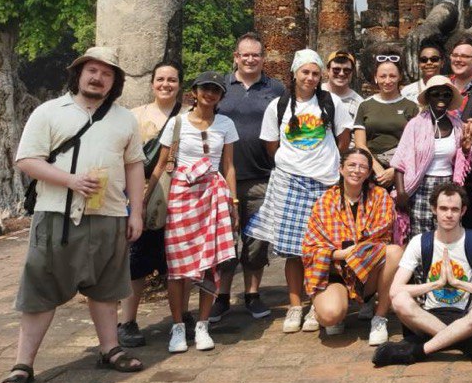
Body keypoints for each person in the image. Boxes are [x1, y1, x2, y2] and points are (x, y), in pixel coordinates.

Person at [2, 47, 146, 383]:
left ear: (115, 81)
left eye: (106, 73)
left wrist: (136, 212)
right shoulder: (50, 112)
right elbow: (27, 160)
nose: (97, 78)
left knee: (106, 287)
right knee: (41, 290)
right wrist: (70, 180)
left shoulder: (124, 119)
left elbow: (134, 166)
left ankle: (109, 348)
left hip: (109, 214)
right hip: (57, 215)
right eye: (91, 71)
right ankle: (23, 363)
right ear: (78, 74)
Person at [247, 49, 354, 335]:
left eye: (315, 73)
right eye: (305, 72)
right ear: (295, 74)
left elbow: (344, 136)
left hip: (324, 182)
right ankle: (296, 305)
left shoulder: (331, 102)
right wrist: (293, 161)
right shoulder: (278, 106)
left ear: (321, 76)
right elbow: (271, 144)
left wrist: (326, 160)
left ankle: (316, 304)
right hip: (290, 181)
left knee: (323, 249)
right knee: (294, 251)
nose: (310, 77)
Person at [147, 71, 239, 353]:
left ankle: (202, 325)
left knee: (210, 264)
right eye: (205, 89)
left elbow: (229, 166)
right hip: (181, 197)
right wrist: (144, 197)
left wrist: (233, 203)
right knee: (178, 268)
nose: (209, 94)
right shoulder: (178, 123)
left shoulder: (225, 123)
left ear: (221, 96)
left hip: (212, 195)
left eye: (215, 90)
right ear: (195, 93)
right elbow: (162, 164)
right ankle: (177, 327)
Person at [375, 182, 472, 366]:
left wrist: (460, 283)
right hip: (428, 317)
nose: (449, 214)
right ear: (434, 209)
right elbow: (395, 291)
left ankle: (420, 351)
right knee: (400, 301)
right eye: (443, 208)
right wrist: (435, 284)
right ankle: (465, 344)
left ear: (463, 211)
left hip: (467, 316)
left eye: (454, 209)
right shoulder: (420, 242)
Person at [214, 32, 287, 323]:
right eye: (245, 54)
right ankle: (221, 296)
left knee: (256, 240)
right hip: (222, 178)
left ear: (263, 57)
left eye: (255, 54)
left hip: (262, 176)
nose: (250, 59)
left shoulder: (276, 88)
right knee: (225, 240)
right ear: (236, 57)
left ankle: (253, 294)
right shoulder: (220, 86)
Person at [301, 148, 402, 339]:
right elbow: (310, 248)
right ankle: (326, 308)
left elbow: (381, 238)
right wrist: (340, 254)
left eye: (363, 166)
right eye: (352, 165)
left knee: (394, 252)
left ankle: (380, 318)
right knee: (330, 316)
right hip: (334, 271)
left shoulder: (380, 196)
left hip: (366, 269)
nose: (357, 170)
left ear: (369, 172)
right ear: (341, 169)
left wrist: (353, 252)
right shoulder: (325, 200)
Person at [118, 61, 182, 349]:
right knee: (138, 261)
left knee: (179, 261)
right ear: (152, 83)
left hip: (181, 195)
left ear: (180, 84)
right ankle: (127, 321)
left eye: (172, 79)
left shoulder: (189, 116)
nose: (165, 84)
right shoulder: (135, 116)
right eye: (160, 79)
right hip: (143, 193)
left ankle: (180, 317)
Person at [392, 75, 472, 239]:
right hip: (421, 185)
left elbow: (462, 163)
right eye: (436, 94)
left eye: (446, 94)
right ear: (428, 97)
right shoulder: (416, 124)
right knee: (421, 237)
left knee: (448, 233)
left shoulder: (457, 125)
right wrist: (401, 192)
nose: (441, 98)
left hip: (448, 185)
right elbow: (400, 161)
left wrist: (465, 150)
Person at [353, 50, 419, 189]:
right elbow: (360, 143)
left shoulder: (411, 107)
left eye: (392, 76)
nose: (387, 81)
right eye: (383, 76)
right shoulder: (365, 105)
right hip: (370, 169)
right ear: (375, 77)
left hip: (401, 170)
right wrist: (378, 170)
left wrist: (394, 171)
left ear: (400, 76)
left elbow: (415, 145)